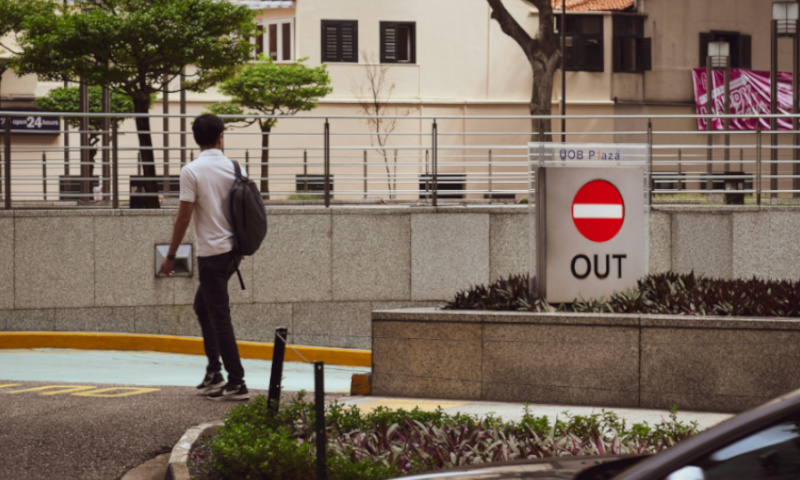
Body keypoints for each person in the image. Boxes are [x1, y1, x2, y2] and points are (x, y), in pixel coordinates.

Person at [160, 113, 249, 401]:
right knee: (202, 306)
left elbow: (184, 217)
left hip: (211, 255)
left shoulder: (191, 171)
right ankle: (214, 372)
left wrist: (171, 255)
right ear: (221, 137)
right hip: (232, 253)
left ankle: (236, 382)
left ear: (197, 139)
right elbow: (244, 209)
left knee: (219, 317)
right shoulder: (236, 167)